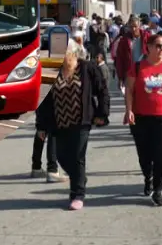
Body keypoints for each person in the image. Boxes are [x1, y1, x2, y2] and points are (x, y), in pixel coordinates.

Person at [38, 48, 109, 209]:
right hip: (60, 122)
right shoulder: (52, 70)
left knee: (77, 156)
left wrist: (102, 114)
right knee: (62, 157)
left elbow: (102, 90)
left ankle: (77, 194)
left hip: (82, 121)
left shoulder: (87, 67)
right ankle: (80, 178)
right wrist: (41, 126)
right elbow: (43, 100)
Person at [125, 32, 162, 206]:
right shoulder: (137, 67)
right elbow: (129, 89)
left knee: (160, 154)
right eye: (158, 46)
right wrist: (128, 110)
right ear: (149, 47)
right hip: (140, 117)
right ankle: (148, 176)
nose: (161, 49)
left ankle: (157, 190)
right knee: (144, 154)